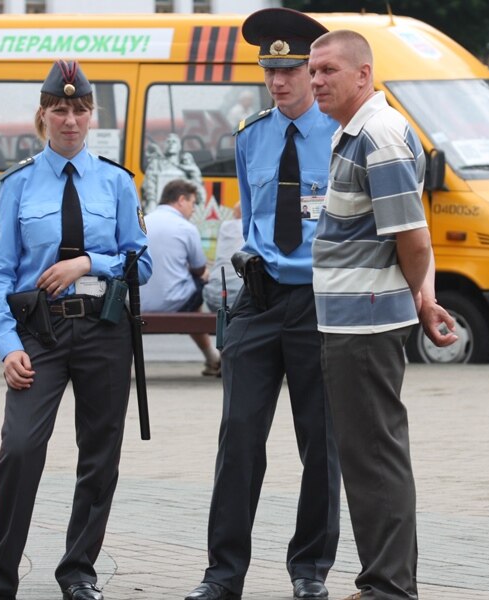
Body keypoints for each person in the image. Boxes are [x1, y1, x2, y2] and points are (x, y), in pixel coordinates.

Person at [0, 59, 151, 600]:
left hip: (104, 332)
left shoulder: (116, 181)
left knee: (99, 455)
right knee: (19, 449)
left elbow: (142, 263)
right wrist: (6, 345)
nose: (70, 120)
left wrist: (88, 262)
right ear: (43, 115)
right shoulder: (17, 184)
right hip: (38, 334)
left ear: (92, 116)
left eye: (80, 110)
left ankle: (78, 572)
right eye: (60, 109)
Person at [185, 9, 340, 600]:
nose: (278, 81)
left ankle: (310, 570)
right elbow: (252, 221)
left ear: (312, 71)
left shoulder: (343, 134)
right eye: (270, 71)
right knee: (239, 439)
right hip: (260, 296)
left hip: (320, 302)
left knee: (320, 444)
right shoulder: (251, 135)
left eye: (290, 70)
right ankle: (222, 575)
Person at [308, 30, 457, 600]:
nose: (316, 80)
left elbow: (413, 237)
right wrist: (423, 296)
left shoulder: (379, 134)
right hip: (354, 321)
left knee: (373, 457)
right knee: (368, 456)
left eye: (328, 70)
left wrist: (421, 294)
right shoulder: (357, 131)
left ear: (363, 74)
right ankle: (385, 582)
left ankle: (389, 588)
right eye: (313, 70)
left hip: (365, 324)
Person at [140, 178, 221, 376]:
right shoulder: (186, 228)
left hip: (137, 303)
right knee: (202, 281)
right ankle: (212, 357)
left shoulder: (142, 223)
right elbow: (199, 269)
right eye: (193, 203)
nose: (194, 210)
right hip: (174, 303)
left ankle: (212, 358)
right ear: (181, 200)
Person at [202, 202, 244, 313]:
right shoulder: (255, 228)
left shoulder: (225, 226)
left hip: (213, 298)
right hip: (242, 298)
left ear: (235, 214)